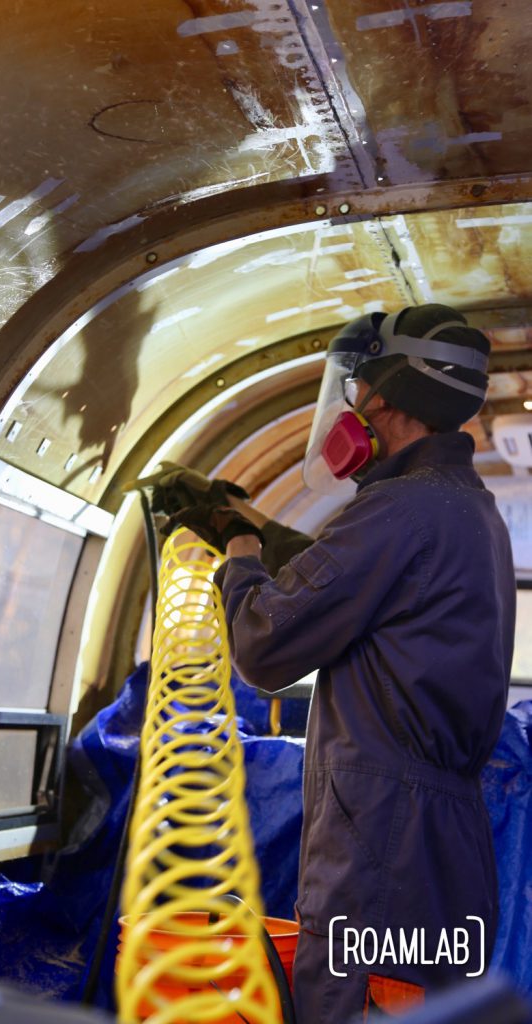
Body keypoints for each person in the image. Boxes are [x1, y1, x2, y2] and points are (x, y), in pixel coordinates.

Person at [145, 304, 517, 1023]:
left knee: (352, 1006)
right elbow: (348, 588)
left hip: (379, 837)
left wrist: (240, 555)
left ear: (386, 397)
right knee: (414, 1007)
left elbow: (264, 646)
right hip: (440, 843)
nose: (353, 406)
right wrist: (256, 527)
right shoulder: (464, 509)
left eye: (360, 387)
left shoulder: (399, 510)